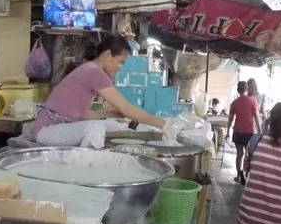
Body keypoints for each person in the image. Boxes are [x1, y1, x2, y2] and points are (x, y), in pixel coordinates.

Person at [29, 34, 175, 148]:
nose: (120, 67)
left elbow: (82, 115)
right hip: (47, 130)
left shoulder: (88, 69)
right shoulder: (94, 72)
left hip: (50, 129)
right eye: (120, 62)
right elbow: (127, 108)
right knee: (95, 128)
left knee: (108, 125)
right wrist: (164, 124)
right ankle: (87, 163)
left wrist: (110, 113)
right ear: (107, 55)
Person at [226, 81, 261, 185]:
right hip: (249, 132)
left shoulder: (234, 103)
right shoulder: (252, 101)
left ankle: (238, 175)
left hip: (237, 131)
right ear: (247, 89)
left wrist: (227, 132)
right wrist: (260, 130)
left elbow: (230, 119)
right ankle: (247, 175)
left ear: (238, 90)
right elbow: (256, 117)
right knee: (249, 155)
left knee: (239, 154)